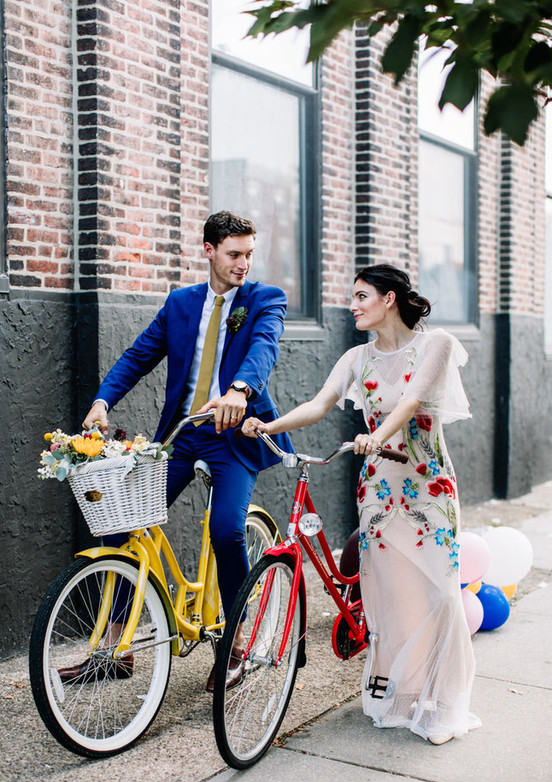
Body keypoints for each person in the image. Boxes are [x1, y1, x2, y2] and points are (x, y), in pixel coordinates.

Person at [243, 263, 482, 745]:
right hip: (377, 490)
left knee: (439, 590)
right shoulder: (356, 357)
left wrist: (376, 435)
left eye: (360, 296)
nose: (351, 305)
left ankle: (445, 703)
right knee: (392, 595)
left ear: (389, 299)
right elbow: (318, 404)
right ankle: (403, 693)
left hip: (427, 485)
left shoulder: (433, 346)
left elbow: (412, 401)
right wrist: (269, 426)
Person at [59, 210, 294, 692]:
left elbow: (263, 346)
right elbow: (138, 356)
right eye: (234, 254)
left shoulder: (265, 299)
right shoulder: (181, 303)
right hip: (184, 436)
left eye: (249, 254)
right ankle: (114, 648)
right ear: (208, 250)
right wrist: (102, 401)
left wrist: (241, 390)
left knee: (226, 528)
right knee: (125, 523)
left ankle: (235, 644)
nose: (243, 264)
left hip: (237, 435)